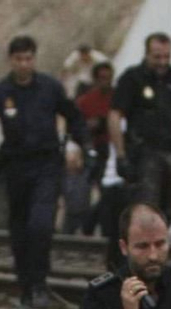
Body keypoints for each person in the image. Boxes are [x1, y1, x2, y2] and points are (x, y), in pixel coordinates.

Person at [0, 35, 88, 309]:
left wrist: (83, 144)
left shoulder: (49, 87)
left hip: (46, 165)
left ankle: (38, 284)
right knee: (20, 231)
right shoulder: (1, 92)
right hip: (15, 169)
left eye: (28, 59)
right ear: (11, 61)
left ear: (34, 59)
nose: (24, 64)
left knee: (41, 224)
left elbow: (73, 115)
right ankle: (26, 286)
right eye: (19, 59)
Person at [109, 32, 171, 251]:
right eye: (157, 57)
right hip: (143, 154)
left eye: (166, 57)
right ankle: (135, 264)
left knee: (166, 212)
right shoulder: (132, 78)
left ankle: (154, 262)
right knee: (145, 210)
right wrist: (121, 155)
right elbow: (115, 116)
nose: (162, 62)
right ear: (146, 54)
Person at [66, 62, 117, 236]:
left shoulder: (118, 98)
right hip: (92, 149)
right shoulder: (85, 101)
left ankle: (92, 225)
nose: (106, 82)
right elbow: (75, 128)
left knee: (108, 195)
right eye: (102, 78)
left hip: (113, 150)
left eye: (109, 78)